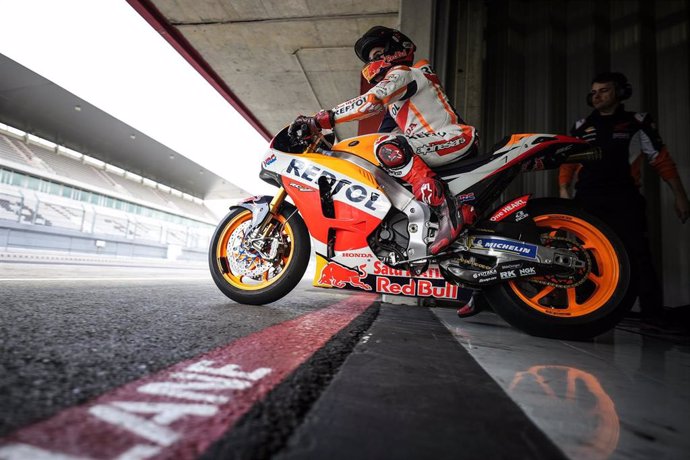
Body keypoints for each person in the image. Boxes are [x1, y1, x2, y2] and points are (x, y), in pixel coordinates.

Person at [291, 26, 478, 255]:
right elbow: (375, 138)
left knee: (387, 147)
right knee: (380, 151)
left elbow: (370, 101)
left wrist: (321, 120)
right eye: (371, 60)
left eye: (378, 55)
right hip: (435, 144)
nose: (374, 63)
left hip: (453, 138)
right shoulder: (397, 102)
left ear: (396, 50)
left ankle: (447, 210)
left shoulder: (406, 72)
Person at [559, 72, 690, 323]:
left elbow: (661, 161)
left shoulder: (637, 122)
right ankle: (585, 313)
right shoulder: (581, 126)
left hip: (625, 198)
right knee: (586, 257)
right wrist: (564, 191)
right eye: (594, 92)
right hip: (587, 200)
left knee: (637, 255)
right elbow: (568, 161)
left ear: (620, 93)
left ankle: (652, 317)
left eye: (604, 91)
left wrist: (680, 197)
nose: (597, 96)